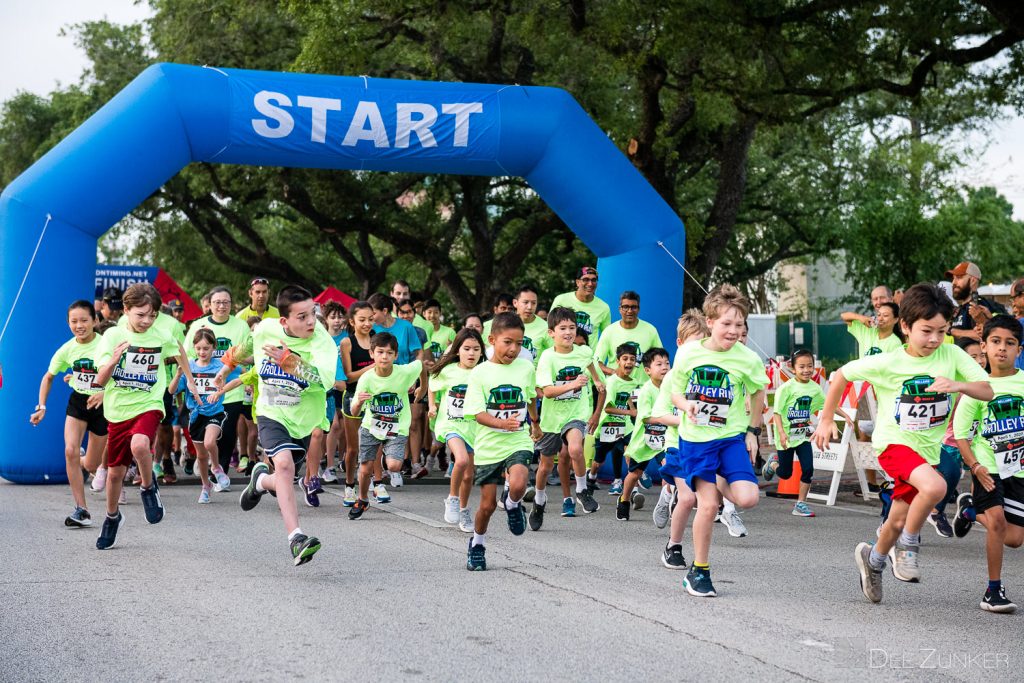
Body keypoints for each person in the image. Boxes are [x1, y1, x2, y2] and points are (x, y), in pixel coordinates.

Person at [812, 283, 993, 604]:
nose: (935, 339)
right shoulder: (889, 362)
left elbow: (986, 390)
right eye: (926, 331)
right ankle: (909, 546)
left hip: (926, 453)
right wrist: (827, 419)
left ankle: (874, 561)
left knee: (895, 520)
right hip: (893, 446)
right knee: (936, 488)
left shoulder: (950, 355)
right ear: (906, 327)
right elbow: (841, 375)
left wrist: (958, 384)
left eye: (941, 331)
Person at [668, 285, 768, 597]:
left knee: (748, 498)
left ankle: (721, 475)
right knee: (708, 505)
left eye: (739, 325)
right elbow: (675, 390)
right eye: (726, 323)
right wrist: (687, 406)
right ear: (710, 322)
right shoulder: (689, 353)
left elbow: (758, 391)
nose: (733, 331)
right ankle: (699, 570)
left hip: (730, 439)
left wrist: (753, 431)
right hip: (696, 440)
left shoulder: (748, 359)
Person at [228, 284, 336, 566]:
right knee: (286, 466)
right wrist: (228, 362)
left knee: (282, 477)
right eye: (302, 317)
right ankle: (296, 538)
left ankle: (260, 481)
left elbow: (325, 381)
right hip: (271, 411)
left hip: (304, 420)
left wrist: (292, 363)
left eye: (313, 313)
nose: (311, 321)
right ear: (284, 321)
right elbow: (250, 344)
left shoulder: (323, 342)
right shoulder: (266, 328)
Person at [93, 284, 200, 549]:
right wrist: (114, 359)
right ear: (126, 310)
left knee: (140, 444)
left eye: (151, 315)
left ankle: (148, 488)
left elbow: (179, 350)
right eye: (140, 315)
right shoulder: (112, 336)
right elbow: (99, 380)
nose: (147, 321)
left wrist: (190, 380)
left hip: (149, 402)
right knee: (115, 474)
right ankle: (112, 517)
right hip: (118, 409)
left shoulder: (159, 334)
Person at [952, 315, 1024, 613]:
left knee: (1015, 539)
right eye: (996, 342)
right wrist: (975, 466)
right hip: (987, 467)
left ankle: (969, 511)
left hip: (1017, 469)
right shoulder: (978, 387)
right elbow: (960, 434)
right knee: (995, 522)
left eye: (1010, 343)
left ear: (1019, 349)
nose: (1002, 349)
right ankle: (993, 590)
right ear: (984, 346)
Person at [462, 312, 542, 570]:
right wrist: (500, 423)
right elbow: (476, 412)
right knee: (486, 505)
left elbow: (530, 396)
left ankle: (512, 502)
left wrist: (535, 421)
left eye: (519, 344)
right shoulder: (480, 373)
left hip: (517, 438)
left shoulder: (526, 367)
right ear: (492, 340)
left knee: (518, 483)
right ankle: (477, 543)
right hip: (488, 445)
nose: (514, 349)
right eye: (508, 342)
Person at [31, 300, 108, 527]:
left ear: (95, 320)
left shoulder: (106, 344)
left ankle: (85, 461)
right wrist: (42, 406)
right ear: (68, 323)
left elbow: (119, 373)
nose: (79, 325)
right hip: (79, 401)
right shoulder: (67, 349)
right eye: (74, 321)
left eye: (84, 320)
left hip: (103, 404)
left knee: (92, 465)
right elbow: (48, 377)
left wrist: (104, 393)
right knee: (69, 450)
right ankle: (81, 509)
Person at [530, 307, 605, 528]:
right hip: (552, 419)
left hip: (576, 413)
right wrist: (573, 384)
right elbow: (547, 391)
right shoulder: (548, 357)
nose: (568, 332)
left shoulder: (583, 352)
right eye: (562, 328)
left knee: (575, 449)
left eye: (572, 327)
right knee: (544, 467)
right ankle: (539, 500)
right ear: (551, 333)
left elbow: (594, 374)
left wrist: (598, 382)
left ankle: (581, 490)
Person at [763, 349, 851, 516]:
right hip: (786, 436)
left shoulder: (815, 388)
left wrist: (845, 415)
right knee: (785, 473)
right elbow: (777, 413)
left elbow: (827, 405)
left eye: (810, 366)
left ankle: (800, 504)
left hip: (803, 435)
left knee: (808, 469)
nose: (806, 370)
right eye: (802, 367)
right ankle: (773, 462)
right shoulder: (786, 388)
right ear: (793, 369)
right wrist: (781, 433)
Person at [347, 332, 425, 519]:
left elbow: (421, 365)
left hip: (397, 427)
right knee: (365, 470)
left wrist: (422, 385)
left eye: (389, 353)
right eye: (380, 352)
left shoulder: (404, 372)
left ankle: (382, 461)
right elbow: (354, 412)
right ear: (372, 354)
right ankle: (363, 499)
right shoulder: (366, 379)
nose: (384, 357)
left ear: (396, 356)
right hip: (370, 427)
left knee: (395, 466)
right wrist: (358, 403)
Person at [656, 309, 707, 568]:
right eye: (691, 344)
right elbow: (661, 415)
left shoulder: (708, 377)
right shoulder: (672, 378)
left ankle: (668, 495)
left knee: (706, 500)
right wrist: (686, 418)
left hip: (702, 445)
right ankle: (673, 546)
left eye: (702, 343)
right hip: (676, 445)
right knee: (688, 498)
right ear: (679, 344)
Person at [186, 286, 252, 475]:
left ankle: (220, 470)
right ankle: (206, 461)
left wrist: (232, 359)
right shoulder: (198, 326)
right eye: (217, 302)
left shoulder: (241, 326)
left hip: (232, 390)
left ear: (231, 305)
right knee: (205, 433)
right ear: (210, 305)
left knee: (227, 432)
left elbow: (250, 355)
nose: (221, 306)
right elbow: (188, 355)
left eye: (225, 302)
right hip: (204, 392)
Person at [170, 328, 241, 503]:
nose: (202, 352)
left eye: (206, 348)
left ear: (214, 348)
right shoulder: (189, 367)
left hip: (215, 412)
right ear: (194, 348)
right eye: (199, 348)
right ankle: (205, 486)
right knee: (201, 456)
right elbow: (171, 390)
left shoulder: (220, 366)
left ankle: (216, 468)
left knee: (210, 442)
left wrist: (223, 389)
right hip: (195, 415)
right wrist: (179, 374)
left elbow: (240, 374)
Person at [925, 337, 987, 537]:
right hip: (950, 441)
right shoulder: (953, 383)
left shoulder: (985, 383)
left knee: (978, 474)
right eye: (973, 357)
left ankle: (970, 508)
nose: (979, 360)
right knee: (951, 474)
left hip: (976, 440)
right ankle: (935, 511)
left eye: (982, 355)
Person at [430, 328, 484, 531]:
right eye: (467, 348)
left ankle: (463, 510)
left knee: (469, 476)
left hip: (474, 427)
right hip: (451, 425)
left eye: (476, 349)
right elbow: (432, 382)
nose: (471, 353)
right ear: (457, 350)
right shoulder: (448, 370)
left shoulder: (484, 371)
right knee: (460, 460)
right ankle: (452, 498)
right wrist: (432, 406)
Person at [340, 301, 388, 506]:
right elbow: (349, 377)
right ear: (352, 321)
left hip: (375, 398)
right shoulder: (347, 343)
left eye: (370, 319)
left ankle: (377, 483)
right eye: (362, 320)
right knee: (353, 448)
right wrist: (371, 367)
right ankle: (349, 486)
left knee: (376, 444)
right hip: (353, 396)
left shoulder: (378, 340)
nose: (367, 323)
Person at [616, 347, 672, 521]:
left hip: (665, 439)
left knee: (668, 469)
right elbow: (646, 418)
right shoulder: (646, 391)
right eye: (659, 364)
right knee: (635, 475)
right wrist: (667, 419)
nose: (664, 367)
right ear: (647, 371)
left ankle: (668, 504)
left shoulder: (673, 388)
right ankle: (624, 500)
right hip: (645, 440)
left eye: (667, 363)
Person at [587, 344, 642, 495]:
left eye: (632, 359)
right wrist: (630, 412)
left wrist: (633, 410)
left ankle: (634, 489)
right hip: (607, 425)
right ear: (617, 361)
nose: (629, 362)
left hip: (624, 426)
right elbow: (608, 408)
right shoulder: (611, 382)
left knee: (630, 453)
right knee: (599, 462)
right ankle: (591, 477)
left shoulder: (633, 381)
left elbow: (628, 396)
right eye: (625, 359)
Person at [593, 291, 663, 380]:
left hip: (641, 388)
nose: (629, 311)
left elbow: (660, 360)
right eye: (625, 307)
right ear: (620, 309)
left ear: (638, 309)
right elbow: (597, 362)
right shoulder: (609, 331)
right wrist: (614, 372)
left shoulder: (650, 330)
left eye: (633, 307)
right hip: (617, 388)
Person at [550, 266, 612, 347]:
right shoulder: (561, 300)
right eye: (585, 279)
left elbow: (606, 337)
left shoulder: (604, 307)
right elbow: (551, 329)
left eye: (594, 280)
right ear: (577, 282)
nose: (590, 284)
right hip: (563, 355)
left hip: (588, 357)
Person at [321, 301, 349, 483]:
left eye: (340, 316)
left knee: (345, 426)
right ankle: (328, 465)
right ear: (326, 319)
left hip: (346, 384)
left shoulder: (348, 338)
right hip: (327, 385)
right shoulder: (322, 339)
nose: (337, 321)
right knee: (334, 425)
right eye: (333, 317)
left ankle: (343, 460)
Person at [947, 261, 1005, 340]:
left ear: (973, 281)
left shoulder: (980, 305)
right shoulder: (960, 309)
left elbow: (983, 335)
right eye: (953, 278)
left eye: (959, 277)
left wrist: (951, 330)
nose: (953, 283)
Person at [510, 286, 550, 364]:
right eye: (525, 302)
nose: (530, 307)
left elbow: (554, 353)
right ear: (515, 303)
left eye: (533, 303)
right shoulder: (504, 324)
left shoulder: (546, 327)